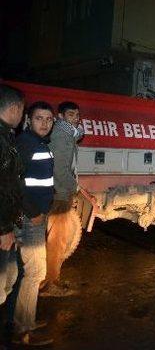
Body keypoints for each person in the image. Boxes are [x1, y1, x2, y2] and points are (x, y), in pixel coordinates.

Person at [11, 101, 55, 346]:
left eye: (49, 120)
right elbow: (14, 183)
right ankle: (23, 328)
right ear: (28, 119)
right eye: (39, 118)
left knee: (30, 272)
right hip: (30, 219)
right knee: (35, 272)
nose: (45, 123)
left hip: (36, 215)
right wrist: (32, 212)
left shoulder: (38, 143)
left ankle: (24, 320)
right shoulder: (27, 143)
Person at [40, 101, 84, 297]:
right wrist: (72, 188)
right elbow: (60, 168)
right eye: (70, 114)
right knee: (57, 241)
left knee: (56, 239)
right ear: (60, 116)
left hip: (59, 192)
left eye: (76, 115)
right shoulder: (62, 135)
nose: (75, 118)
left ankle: (50, 279)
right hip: (60, 194)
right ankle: (49, 283)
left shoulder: (67, 134)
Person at [0, 85, 25, 308]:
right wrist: (5, 230)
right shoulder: (3, 141)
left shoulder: (6, 136)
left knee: (9, 280)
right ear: (16, 108)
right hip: (2, 229)